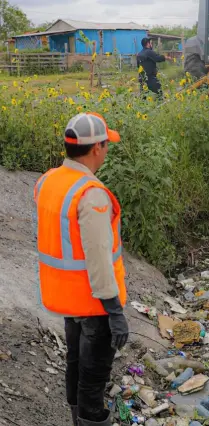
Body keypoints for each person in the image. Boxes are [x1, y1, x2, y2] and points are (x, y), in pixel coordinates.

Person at [34, 112, 129, 426]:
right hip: (94, 303)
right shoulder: (91, 195)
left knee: (75, 364)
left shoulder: (49, 181)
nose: (106, 150)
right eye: (105, 144)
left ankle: (76, 419)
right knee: (93, 380)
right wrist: (114, 310)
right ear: (96, 149)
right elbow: (98, 256)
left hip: (65, 298)